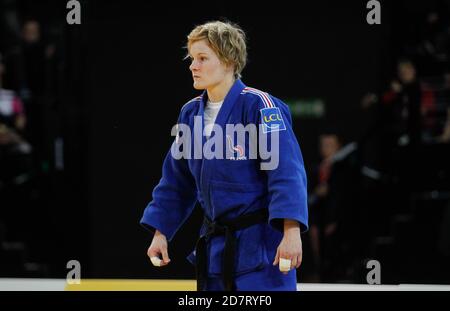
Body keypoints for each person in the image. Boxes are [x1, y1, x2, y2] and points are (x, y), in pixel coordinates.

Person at [140, 21, 308, 291]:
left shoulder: (260, 106)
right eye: (192, 59)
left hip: (264, 251)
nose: (193, 66)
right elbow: (176, 181)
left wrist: (291, 232)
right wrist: (161, 232)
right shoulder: (190, 113)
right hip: (215, 250)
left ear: (229, 60)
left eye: (202, 58)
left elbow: (286, 173)